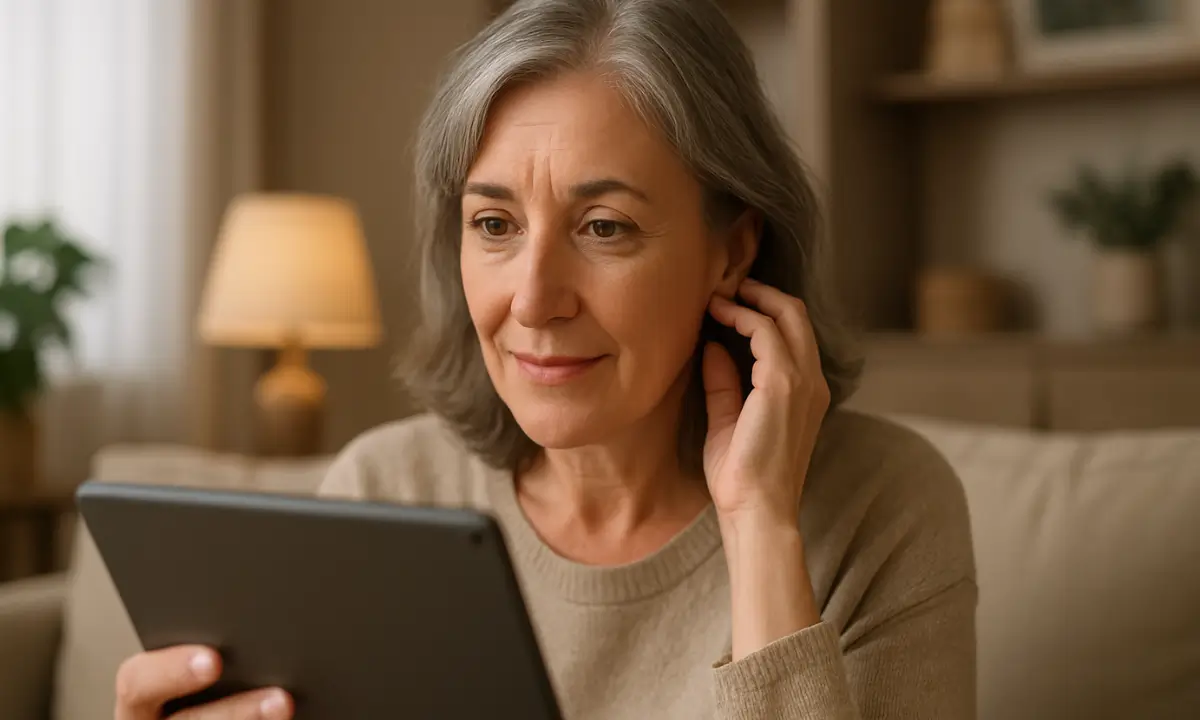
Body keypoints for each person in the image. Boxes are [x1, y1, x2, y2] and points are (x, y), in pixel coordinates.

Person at [112, 0, 977, 717]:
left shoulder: (883, 511)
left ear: (731, 252)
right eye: (494, 225)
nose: (532, 299)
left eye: (604, 228)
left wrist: (760, 529)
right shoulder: (386, 491)